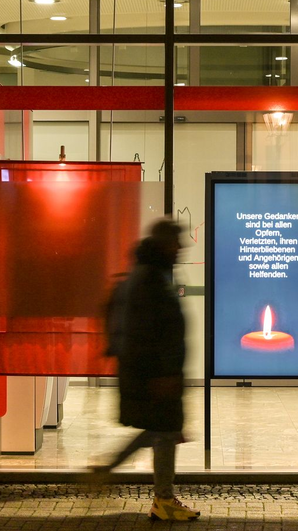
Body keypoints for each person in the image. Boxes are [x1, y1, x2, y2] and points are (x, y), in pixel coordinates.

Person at [95, 218, 200, 521]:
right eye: (176, 241)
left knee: (161, 431)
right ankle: (162, 499)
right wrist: (163, 373)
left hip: (153, 373)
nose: (181, 247)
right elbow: (151, 330)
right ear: (164, 244)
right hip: (156, 375)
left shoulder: (148, 274)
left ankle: (112, 470)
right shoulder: (150, 279)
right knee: (164, 432)